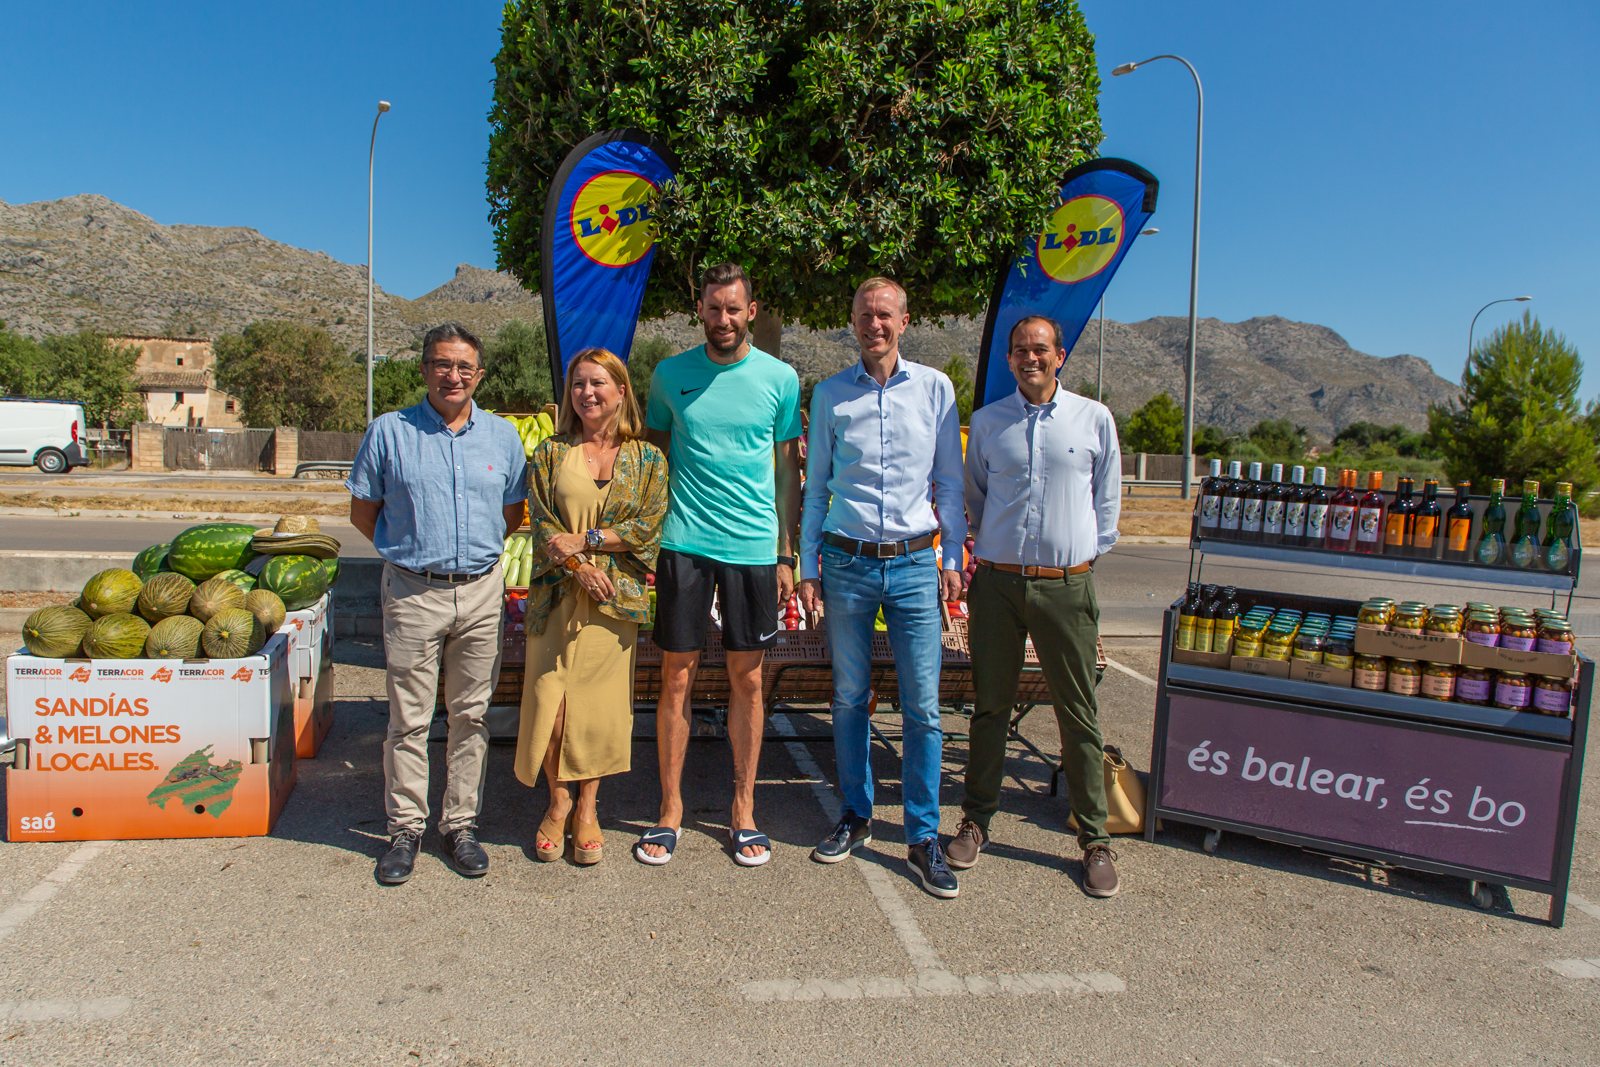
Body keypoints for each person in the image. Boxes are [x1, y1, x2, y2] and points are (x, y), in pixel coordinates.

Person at [798, 276, 967, 899]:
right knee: (848, 698)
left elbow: (948, 481)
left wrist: (953, 553)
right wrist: (808, 567)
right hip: (846, 564)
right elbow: (817, 489)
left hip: (917, 565)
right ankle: (856, 814)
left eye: (886, 314)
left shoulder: (935, 390)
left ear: (904, 320)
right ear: (853, 320)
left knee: (923, 707)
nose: (876, 324)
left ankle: (923, 836)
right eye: (866, 314)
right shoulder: (830, 396)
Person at [347, 322, 528, 885]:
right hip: (412, 591)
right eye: (443, 364)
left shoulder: (502, 438)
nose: (454, 376)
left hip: (479, 591)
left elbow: (512, 514)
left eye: (465, 367)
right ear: (424, 368)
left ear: (479, 375)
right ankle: (405, 827)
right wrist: (409, 555)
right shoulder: (388, 432)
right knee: (409, 719)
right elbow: (364, 512)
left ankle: (460, 823)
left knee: (472, 715)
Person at [634, 262, 802, 867]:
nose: (723, 319)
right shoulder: (670, 375)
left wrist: (788, 551)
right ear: (699, 310)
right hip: (682, 544)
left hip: (754, 550)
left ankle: (742, 809)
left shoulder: (780, 379)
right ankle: (670, 810)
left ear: (750, 311)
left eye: (734, 308)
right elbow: (649, 460)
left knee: (747, 680)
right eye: (714, 308)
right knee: (675, 677)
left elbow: (787, 472)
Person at [951, 315, 1123, 897]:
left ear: (1061, 355)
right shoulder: (988, 423)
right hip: (997, 587)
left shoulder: (1093, 419)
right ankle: (976, 821)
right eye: (1022, 350)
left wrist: (1072, 561)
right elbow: (975, 498)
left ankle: (1095, 838)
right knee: (990, 709)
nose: (1032, 358)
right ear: (1010, 358)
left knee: (1078, 714)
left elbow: (1107, 507)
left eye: (1041, 349)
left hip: (1066, 587)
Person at [516, 348, 668, 866]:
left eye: (598, 383)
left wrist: (588, 538)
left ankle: (586, 807)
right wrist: (580, 564)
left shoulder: (647, 460)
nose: (588, 393)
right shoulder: (549, 455)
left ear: (622, 391)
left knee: (598, 711)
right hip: (558, 596)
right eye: (578, 384)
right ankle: (556, 800)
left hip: (614, 605)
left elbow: (649, 527)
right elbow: (540, 525)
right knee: (552, 702)